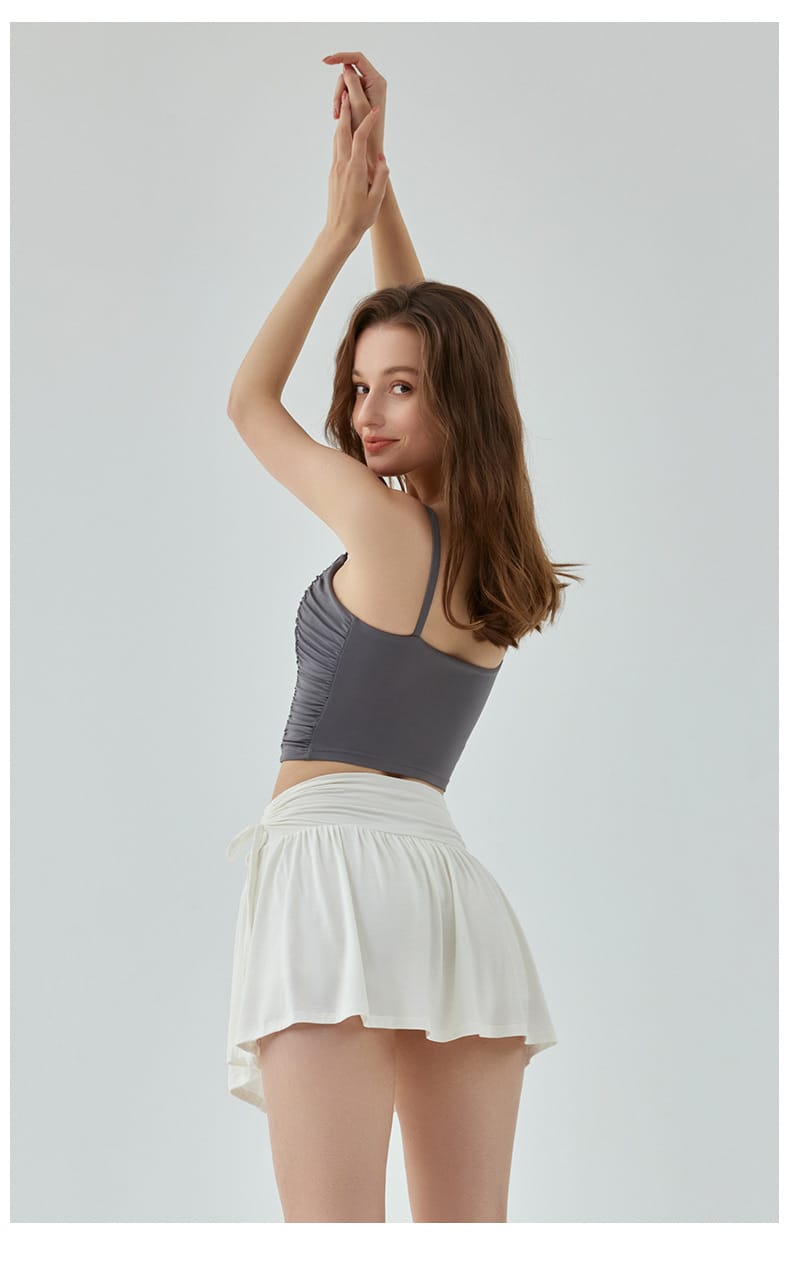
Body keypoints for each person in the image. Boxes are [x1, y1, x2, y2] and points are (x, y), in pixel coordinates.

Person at [223, 51, 583, 1223]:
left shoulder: (379, 530)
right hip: (447, 893)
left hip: (329, 875)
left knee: (332, 1241)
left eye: (400, 390)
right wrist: (381, 188)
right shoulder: (497, 560)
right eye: (361, 385)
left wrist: (337, 228)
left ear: (450, 400)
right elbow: (433, 339)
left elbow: (248, 404)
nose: (366, 413)